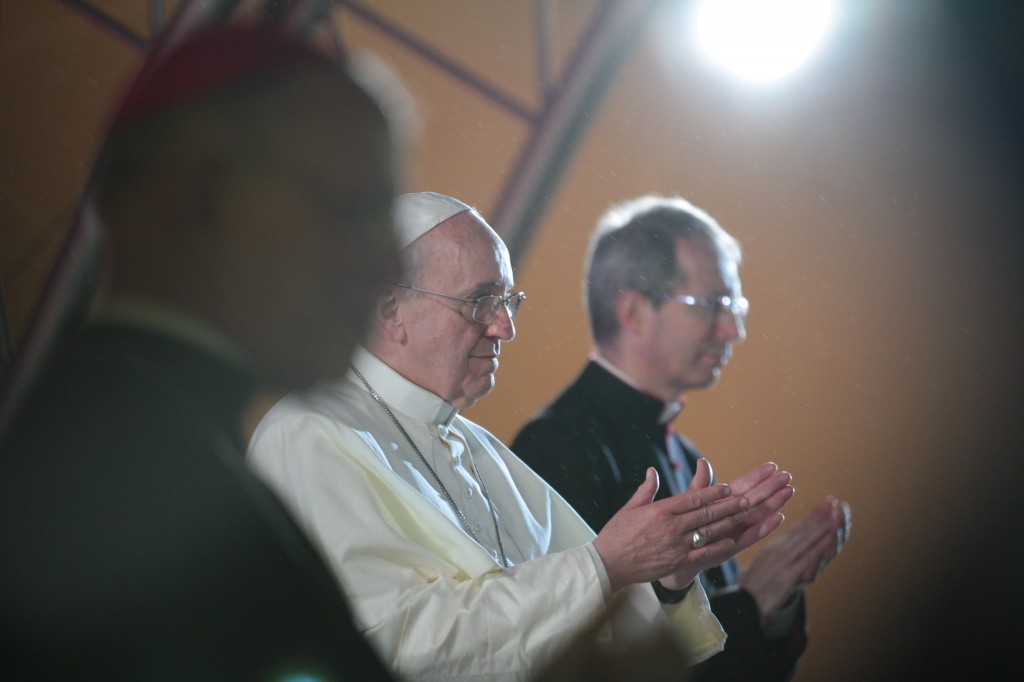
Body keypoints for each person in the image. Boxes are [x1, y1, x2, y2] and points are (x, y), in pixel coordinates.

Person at [247, 191, 797, 682]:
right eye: (480, 301)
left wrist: (666, 580)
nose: (504, 327)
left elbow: (571, 631)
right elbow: (399, 647)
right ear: (392, 310)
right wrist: (605, 566)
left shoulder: (478, 446)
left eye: (509, 302)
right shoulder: (310, 434)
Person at [0, 23, 406, 680]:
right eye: (353, 208)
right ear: (197, 199)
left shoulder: (132, 434)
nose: (389, 264)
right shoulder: (120, 491)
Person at [511, 195, 852, 681]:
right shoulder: (556, 446)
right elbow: (584, 657)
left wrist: (772, 606)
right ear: (634, 311)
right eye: (712, 305)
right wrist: (749, 604)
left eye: (735, 306)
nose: (732, 329)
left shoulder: (685, 454)